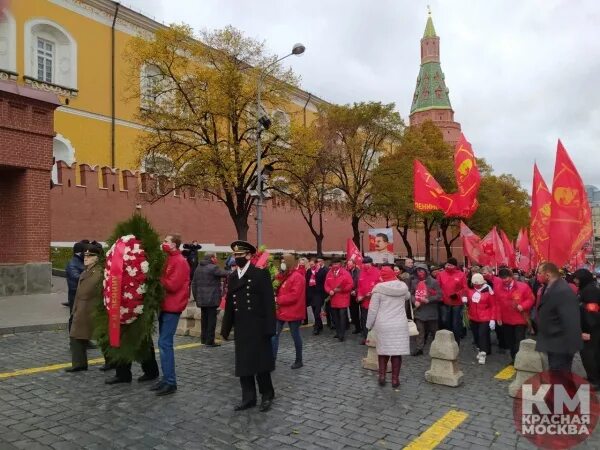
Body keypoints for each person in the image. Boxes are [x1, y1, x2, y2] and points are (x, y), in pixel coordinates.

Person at [221, 240, 276, 412]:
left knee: (261, 364)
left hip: (258, 327)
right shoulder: (232, 277)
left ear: (249, 256)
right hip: (241, 326)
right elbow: (230, 304)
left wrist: (270, 328)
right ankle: (248, 397)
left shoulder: (260, 274)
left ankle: (267, 394)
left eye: (240, 255)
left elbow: (268, 303)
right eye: (234, 255)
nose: (237, 258)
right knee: (244, 364)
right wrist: (226, 327)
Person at [148, 234, 190, 396]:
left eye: (166, 241)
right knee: (163, 344)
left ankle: (170, 382)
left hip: (172, 307)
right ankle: (166, 379)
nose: (163, 243)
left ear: (174, 245)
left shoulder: (180, 261)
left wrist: (156, 278)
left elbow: (173, 285)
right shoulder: (169, 259)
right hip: (165, 306)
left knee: (165, 344)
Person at [366, 266, 410, 388]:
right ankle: (395, 380)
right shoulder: (402, 288)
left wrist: (369, 325)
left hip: (384, 324)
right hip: (399, 324)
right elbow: (408, 296)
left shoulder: (378, 289)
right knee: (397, 352)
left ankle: (382, 376)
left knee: (383, 351)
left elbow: (373, 310)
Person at [536, 263, 583, 373]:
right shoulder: (549, 287)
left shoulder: (562, 291)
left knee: (560, 375)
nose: (538, 275)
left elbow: (570, 320)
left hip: (561, 343)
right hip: (553, 341)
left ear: (547, 275)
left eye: (539, 273)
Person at [66, 243, 104, 373]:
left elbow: (88, 290)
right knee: (76, 336)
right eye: (85, 255)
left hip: (91, 309)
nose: (86, 258)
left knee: (104, 338)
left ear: (97, 258)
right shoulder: (86, 270)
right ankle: (79, 364)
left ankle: (112, 362)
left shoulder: (98, 272)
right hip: (81, 309)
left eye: (90, 255)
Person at [272, 253, 306, 369]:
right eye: (281, 261)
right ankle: (272, 360)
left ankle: (299, 360)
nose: (282, 263)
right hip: (281, 311)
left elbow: (294, 296)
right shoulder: (283, 275)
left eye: (284, 261)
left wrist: (278, 299)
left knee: (295, 336)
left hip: (293, 312)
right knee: (274, 335)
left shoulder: (298, 277)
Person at [495, 267, 534, 363]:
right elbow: (497, 304)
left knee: (519, 340)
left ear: (511, 277)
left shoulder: (523, 286)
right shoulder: (498, 288)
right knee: (510, 341)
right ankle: (514, 358)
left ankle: (519, 359)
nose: (505, 281)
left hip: (520, 319)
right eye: (503, 279)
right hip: (506, 319)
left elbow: (531, 299)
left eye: (507, 278)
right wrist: (498, 317)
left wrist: (523, 306)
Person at [192, 253, 230, 347]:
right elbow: (226, 274)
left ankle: (203, 339)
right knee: (211, 321)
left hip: (201, 299)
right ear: (211, 258)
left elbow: (193, 283)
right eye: (215, 257)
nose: (216, 259)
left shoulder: (198, 268)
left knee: (204, 320)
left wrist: (196, 297)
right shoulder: (213, 268)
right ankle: (210, 341)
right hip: (212, 299)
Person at [573, 269, 600, 386]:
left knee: (590, 356)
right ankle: (592, 377)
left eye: (577, 279)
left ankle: (595, 380)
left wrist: (587, 330)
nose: (575, 281)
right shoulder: (584, 289)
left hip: (590, 330)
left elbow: (592, 312)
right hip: (585, 328)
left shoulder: (591, 290)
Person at [463, 273, 496, 365]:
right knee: (476, 336)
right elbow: (463, 292)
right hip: (473, 317)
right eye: (474, 284)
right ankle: (479, 349)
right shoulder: (470, 290)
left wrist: (493, 319)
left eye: (478, 284)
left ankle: (483, 353)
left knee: (482, 336)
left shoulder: (488, 291)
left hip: (485, 318)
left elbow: (493, 306)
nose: (476, 286)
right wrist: (464, 298)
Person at [409, 264, 441, 356]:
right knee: (420, 331)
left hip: (431, 310)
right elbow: (411, 294)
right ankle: (419, 348)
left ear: (426, 271)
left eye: (421, 270)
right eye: (418, 271)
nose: (420, 273)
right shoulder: (414, 282)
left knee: (434, 331)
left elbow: (439, 295)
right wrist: (414, 301)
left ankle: (438, 348)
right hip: (419, 310)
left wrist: (428, 300)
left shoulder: (434, 282)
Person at [437, 258, 467, 344]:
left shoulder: (461, 275)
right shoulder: (441, 274)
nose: (448, 266)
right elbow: (438, 287)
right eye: (447, 264)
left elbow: (465, 288)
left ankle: (456, 341)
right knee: (445, 321)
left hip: (456, 303)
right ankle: (447, 341)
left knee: (455, 323)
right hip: (444, 302)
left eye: (450, 265)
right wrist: (441, 298)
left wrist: (457, 294)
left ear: (455, 266)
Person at [324, 258, 353, 342]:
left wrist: (341, 290)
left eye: (337, 264)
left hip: (343, 298)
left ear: (340, 264)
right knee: (335, 317)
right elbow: (326, 284)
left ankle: (342, 334)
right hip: (333, 299)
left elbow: (350, 284)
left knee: (342, 316)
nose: (335, 266)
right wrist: (329, 291)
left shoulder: (345, 273)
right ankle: (338, 332)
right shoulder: (329, 273)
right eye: (333, 264)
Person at [357, 256, 380, 345]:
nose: (365, 265)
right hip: (364, 302)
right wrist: (359, 295)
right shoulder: (361, 273)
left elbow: (380, 286)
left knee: (374, 321)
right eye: (364, 263)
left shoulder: (377, 272)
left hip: (374, 302)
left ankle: (375, 338)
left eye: (367, 263)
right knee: (364, 320)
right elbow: (359, 287)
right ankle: (366, 337)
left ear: (371, 263)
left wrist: (372, 293)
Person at [63, 240, 88, 312]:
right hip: (75, 294)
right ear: (79, 252)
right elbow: (77, 277)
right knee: (74, 315)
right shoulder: (73, 263)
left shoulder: (80, 261)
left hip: (80, 294)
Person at [305, 257, 328, 335]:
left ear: (316, 263)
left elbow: (325, 282)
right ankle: (320, 324)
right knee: (314, 310)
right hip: (311, 294)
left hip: (319, 294)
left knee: (317, 312)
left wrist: (325, 295)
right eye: (310, 264)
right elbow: (307, 283)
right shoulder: (308, 271)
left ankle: (316, 328)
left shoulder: (321, 271)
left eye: (312, 264)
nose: (311, 266)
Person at [347, 259, 361, 335]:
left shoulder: (359, 272)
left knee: (362, 312)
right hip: (350, 295)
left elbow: (360, 284)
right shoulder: (347, 272)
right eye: (348, 264)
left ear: (354, 264)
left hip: (358, 294)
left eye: (350, 264)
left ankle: (363, 327)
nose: (348, 266)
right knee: (353, 312)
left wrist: (355, 291)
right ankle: (357, 327)